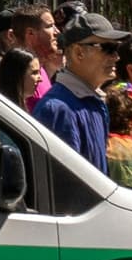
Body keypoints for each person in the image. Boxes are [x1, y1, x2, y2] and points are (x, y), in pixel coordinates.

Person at [26, 16, 117, 167]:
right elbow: (65, 181)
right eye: (108, 48)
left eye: (116, 49)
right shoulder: (56, 110)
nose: (116, 57)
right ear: (78, 52)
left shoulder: (94, 102)